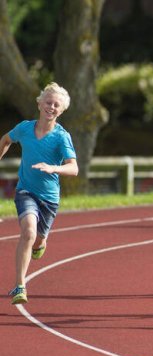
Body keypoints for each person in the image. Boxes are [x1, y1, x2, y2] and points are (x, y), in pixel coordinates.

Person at [0, 82, 78, 304]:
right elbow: (6, 139)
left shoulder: (62, 137)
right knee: (28, 233)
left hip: (49, 199)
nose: (51, 107)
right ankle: (19, 286)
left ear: (61, 110)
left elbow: (74, 168)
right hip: (26, 191)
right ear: (39, 103)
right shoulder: (24, 128)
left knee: (38, 240)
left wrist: (54, 168)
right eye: (48, 102)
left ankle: (41, 244)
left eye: (56, 105)